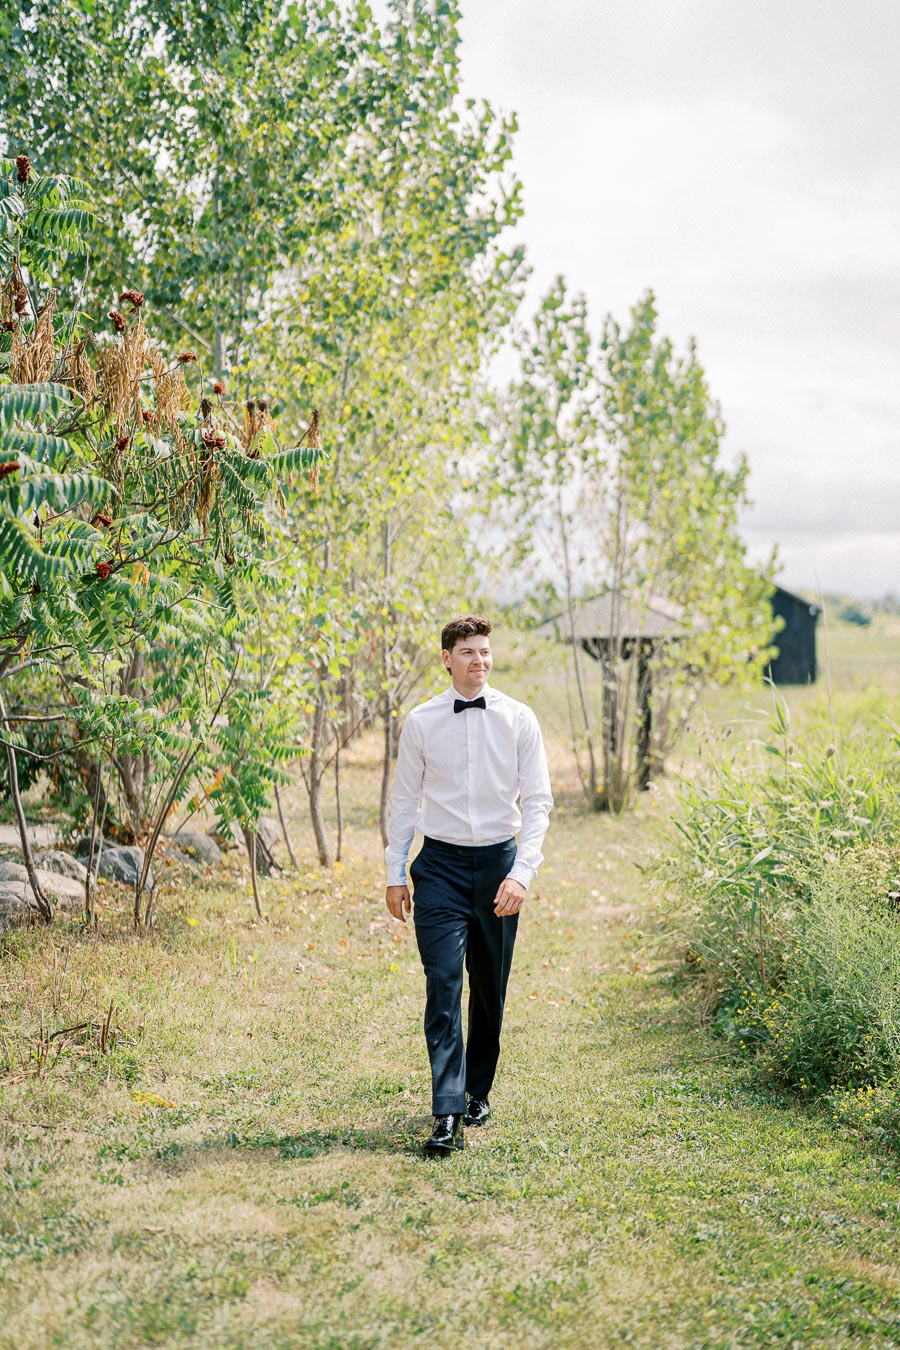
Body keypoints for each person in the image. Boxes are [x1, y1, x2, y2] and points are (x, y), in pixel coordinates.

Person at [384, 614, 553, 1156]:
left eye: (485, 651)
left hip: (500, 866)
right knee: (443, 985)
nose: (479, 660)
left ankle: (478, 1090)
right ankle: (448, 1112)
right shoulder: (421, 722)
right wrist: (395, 872)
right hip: (440, 868)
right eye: (467, 652)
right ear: (447, 658)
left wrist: (521, 873)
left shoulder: (519, 718)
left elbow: (539, 802)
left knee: (489, 988)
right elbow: (404, 802)